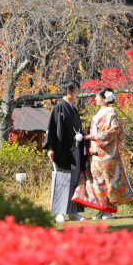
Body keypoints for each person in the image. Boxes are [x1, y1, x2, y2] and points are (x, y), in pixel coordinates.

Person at [72, 87, 133, 220]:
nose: (95, 98)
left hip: (106, 153)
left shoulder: (111, 113)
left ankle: (108, 211)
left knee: (108, 181)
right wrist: (87, 133)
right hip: (95, 152)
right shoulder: (98, 113)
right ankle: (101, 209)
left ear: (104, 98)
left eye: (97, 96)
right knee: (97, 181)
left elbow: (113, 131)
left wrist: (92, 137)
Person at [43, 80, 85, 223]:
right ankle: (60, 212)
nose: (77, 94)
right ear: (69, 92)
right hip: (62, 150)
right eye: (76, 91)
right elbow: (52, 128)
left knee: (74, 180)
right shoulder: (59, 108)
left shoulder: (73, 109)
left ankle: (73, 212)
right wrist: (50, 148)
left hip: (75, 149)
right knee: (62, 179)